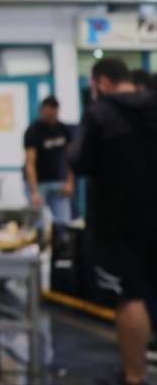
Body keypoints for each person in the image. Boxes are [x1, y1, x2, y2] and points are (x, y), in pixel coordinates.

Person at [72, 58, 157, 385]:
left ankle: (135, 376)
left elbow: (80, 162)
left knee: (131, 297)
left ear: (103, 82)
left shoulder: (101, 113)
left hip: (120, 222)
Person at [22, 96, 74, 226]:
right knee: (39, 224)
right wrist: (34, 192)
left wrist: (70, 182)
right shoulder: (33, 131)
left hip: (59, 182)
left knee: (64, 223)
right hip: (39, 183)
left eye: (54, 113)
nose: (52, 116)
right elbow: (30, 163)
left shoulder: (64, 129)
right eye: (48, 113)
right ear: (41, 111)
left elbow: (71, 158)